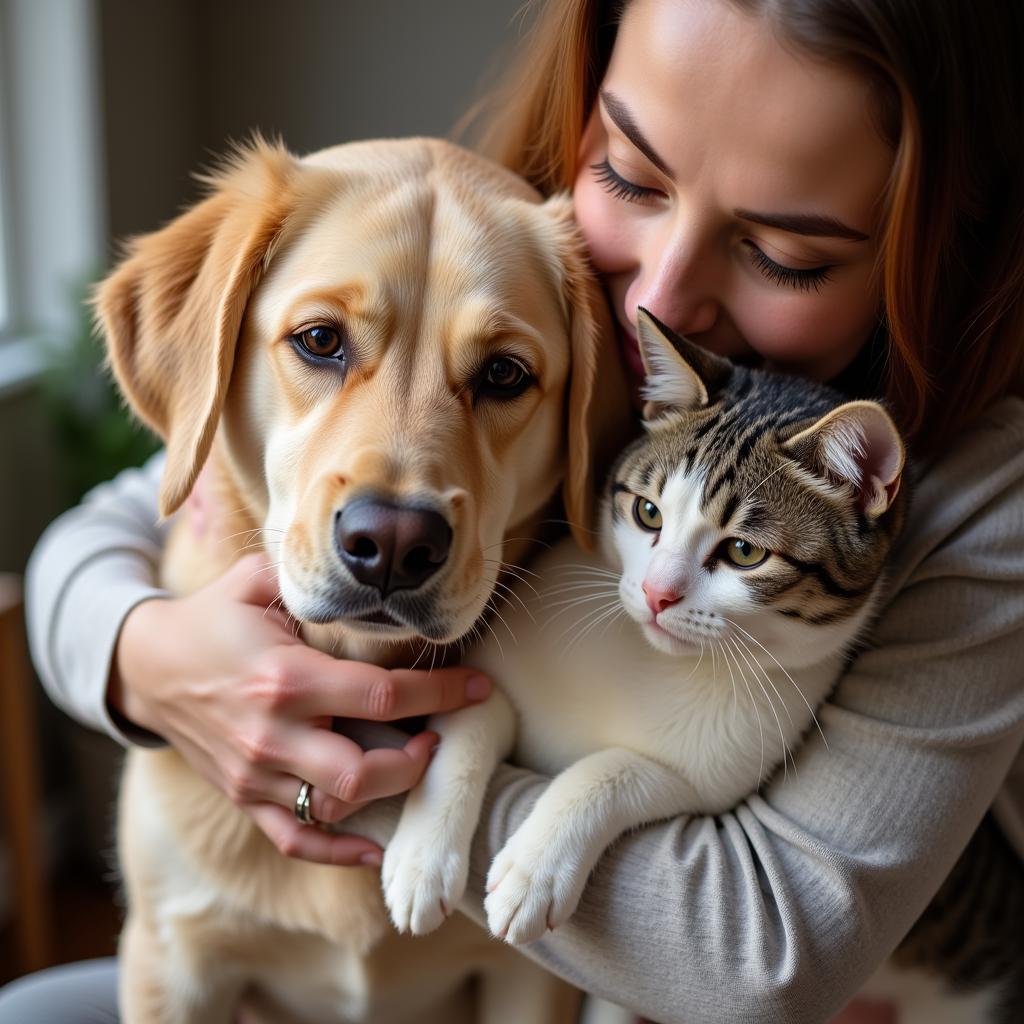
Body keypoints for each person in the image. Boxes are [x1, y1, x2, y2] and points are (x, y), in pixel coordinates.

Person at [3, 0, 1022, 1021]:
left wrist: (350, 755)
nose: (655, 300)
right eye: (628, 174)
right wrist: (144, 657)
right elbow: (112, 526)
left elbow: (759, 952)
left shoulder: (921, 482)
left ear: (926, 245)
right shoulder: (499, 260)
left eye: (786, 253)